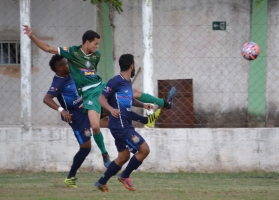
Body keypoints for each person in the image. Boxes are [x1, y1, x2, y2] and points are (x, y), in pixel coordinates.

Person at [22, 25, 176, 168]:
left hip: (100, 86)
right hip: (88, 94)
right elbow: (49, 48)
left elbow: (91, 74)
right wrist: (32, 37)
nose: (97, 47)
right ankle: (105, 155)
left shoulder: (96, 56)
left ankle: (164, 102)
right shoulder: (72, 52)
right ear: (87, 42)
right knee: (95, 127)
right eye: (95, 43)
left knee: (130, 91)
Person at [94, 54, 154, 192]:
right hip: (120, 126)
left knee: (123, 157)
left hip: (124, 125)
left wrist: (144, 105)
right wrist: (111, 109)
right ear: (131, 65)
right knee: (144, 150)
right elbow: (101, 98)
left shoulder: (127, 82)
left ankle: (101, 182)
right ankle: (124, 176)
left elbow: (130, 100)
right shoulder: (115, 81)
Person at [43, 54, 92, 188]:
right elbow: (47, 99)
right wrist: (62, 110)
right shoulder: (58, 81)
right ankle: (70, 177)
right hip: (75, 116)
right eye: (65, 63)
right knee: (86, 147)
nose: (68, 65)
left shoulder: (69, 75)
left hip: (84, 108)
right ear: (59, 68)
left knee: (108, 107)